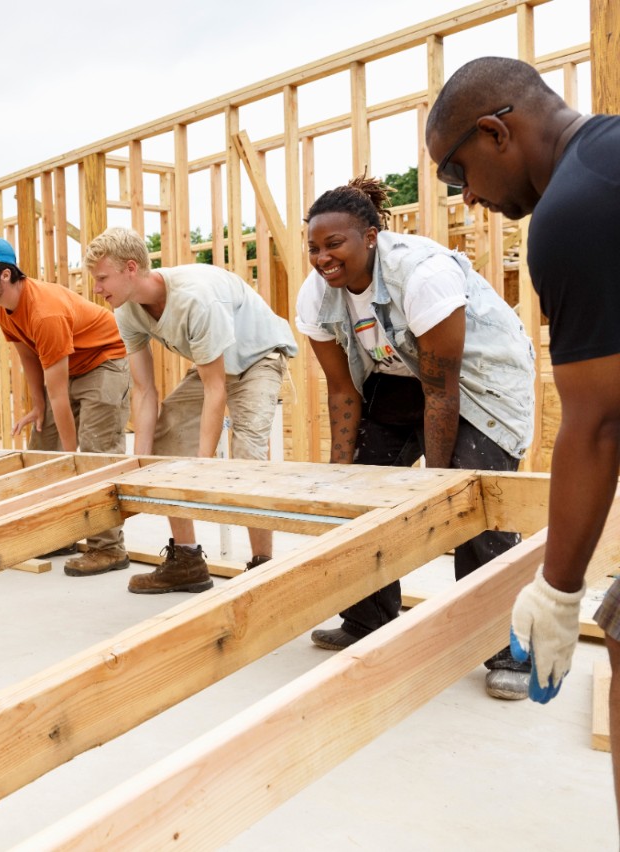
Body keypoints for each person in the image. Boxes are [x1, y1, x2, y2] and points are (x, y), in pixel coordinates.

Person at [426, 55, 620, 810]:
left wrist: (559, 590)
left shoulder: (572, 214)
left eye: (457, 173)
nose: (466, 197)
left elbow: (600, 421)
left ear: (495, 131)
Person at [295, 175, 536, 700]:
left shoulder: (422, 275)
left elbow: (443, 392)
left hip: (478, 382)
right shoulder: (316, 295)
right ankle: (367, 618)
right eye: (313, 247)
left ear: (372, 236)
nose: (322, 258)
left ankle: (509, 648)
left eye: (334, 244)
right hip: (397, 379)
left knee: (478, 504)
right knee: (361, 497)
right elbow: (342, 392)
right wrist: (345, 480)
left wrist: (441, 484)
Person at [84, 226, 298, 593]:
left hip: (256, 359)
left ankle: (263, 567)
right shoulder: (127, 311)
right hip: (210, 365)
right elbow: (145, 389)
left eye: (102, 278)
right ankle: (186, 562)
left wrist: (202, 464)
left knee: (248, 456)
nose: (97, 288)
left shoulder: (195, 298)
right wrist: (142, 463)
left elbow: (218, 390)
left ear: (130, 269)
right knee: (165, 449)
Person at [0, 235, 131, 577]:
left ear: (6, 275)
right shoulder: (2, 307)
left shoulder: (45, 313)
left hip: (103, 361)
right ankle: (63, 532)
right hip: (67, 365)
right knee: (42, 449)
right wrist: (37, 406)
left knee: (93, 455)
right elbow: (28, 354)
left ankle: (109, 548)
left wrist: (71, 456)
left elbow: (61, 396)